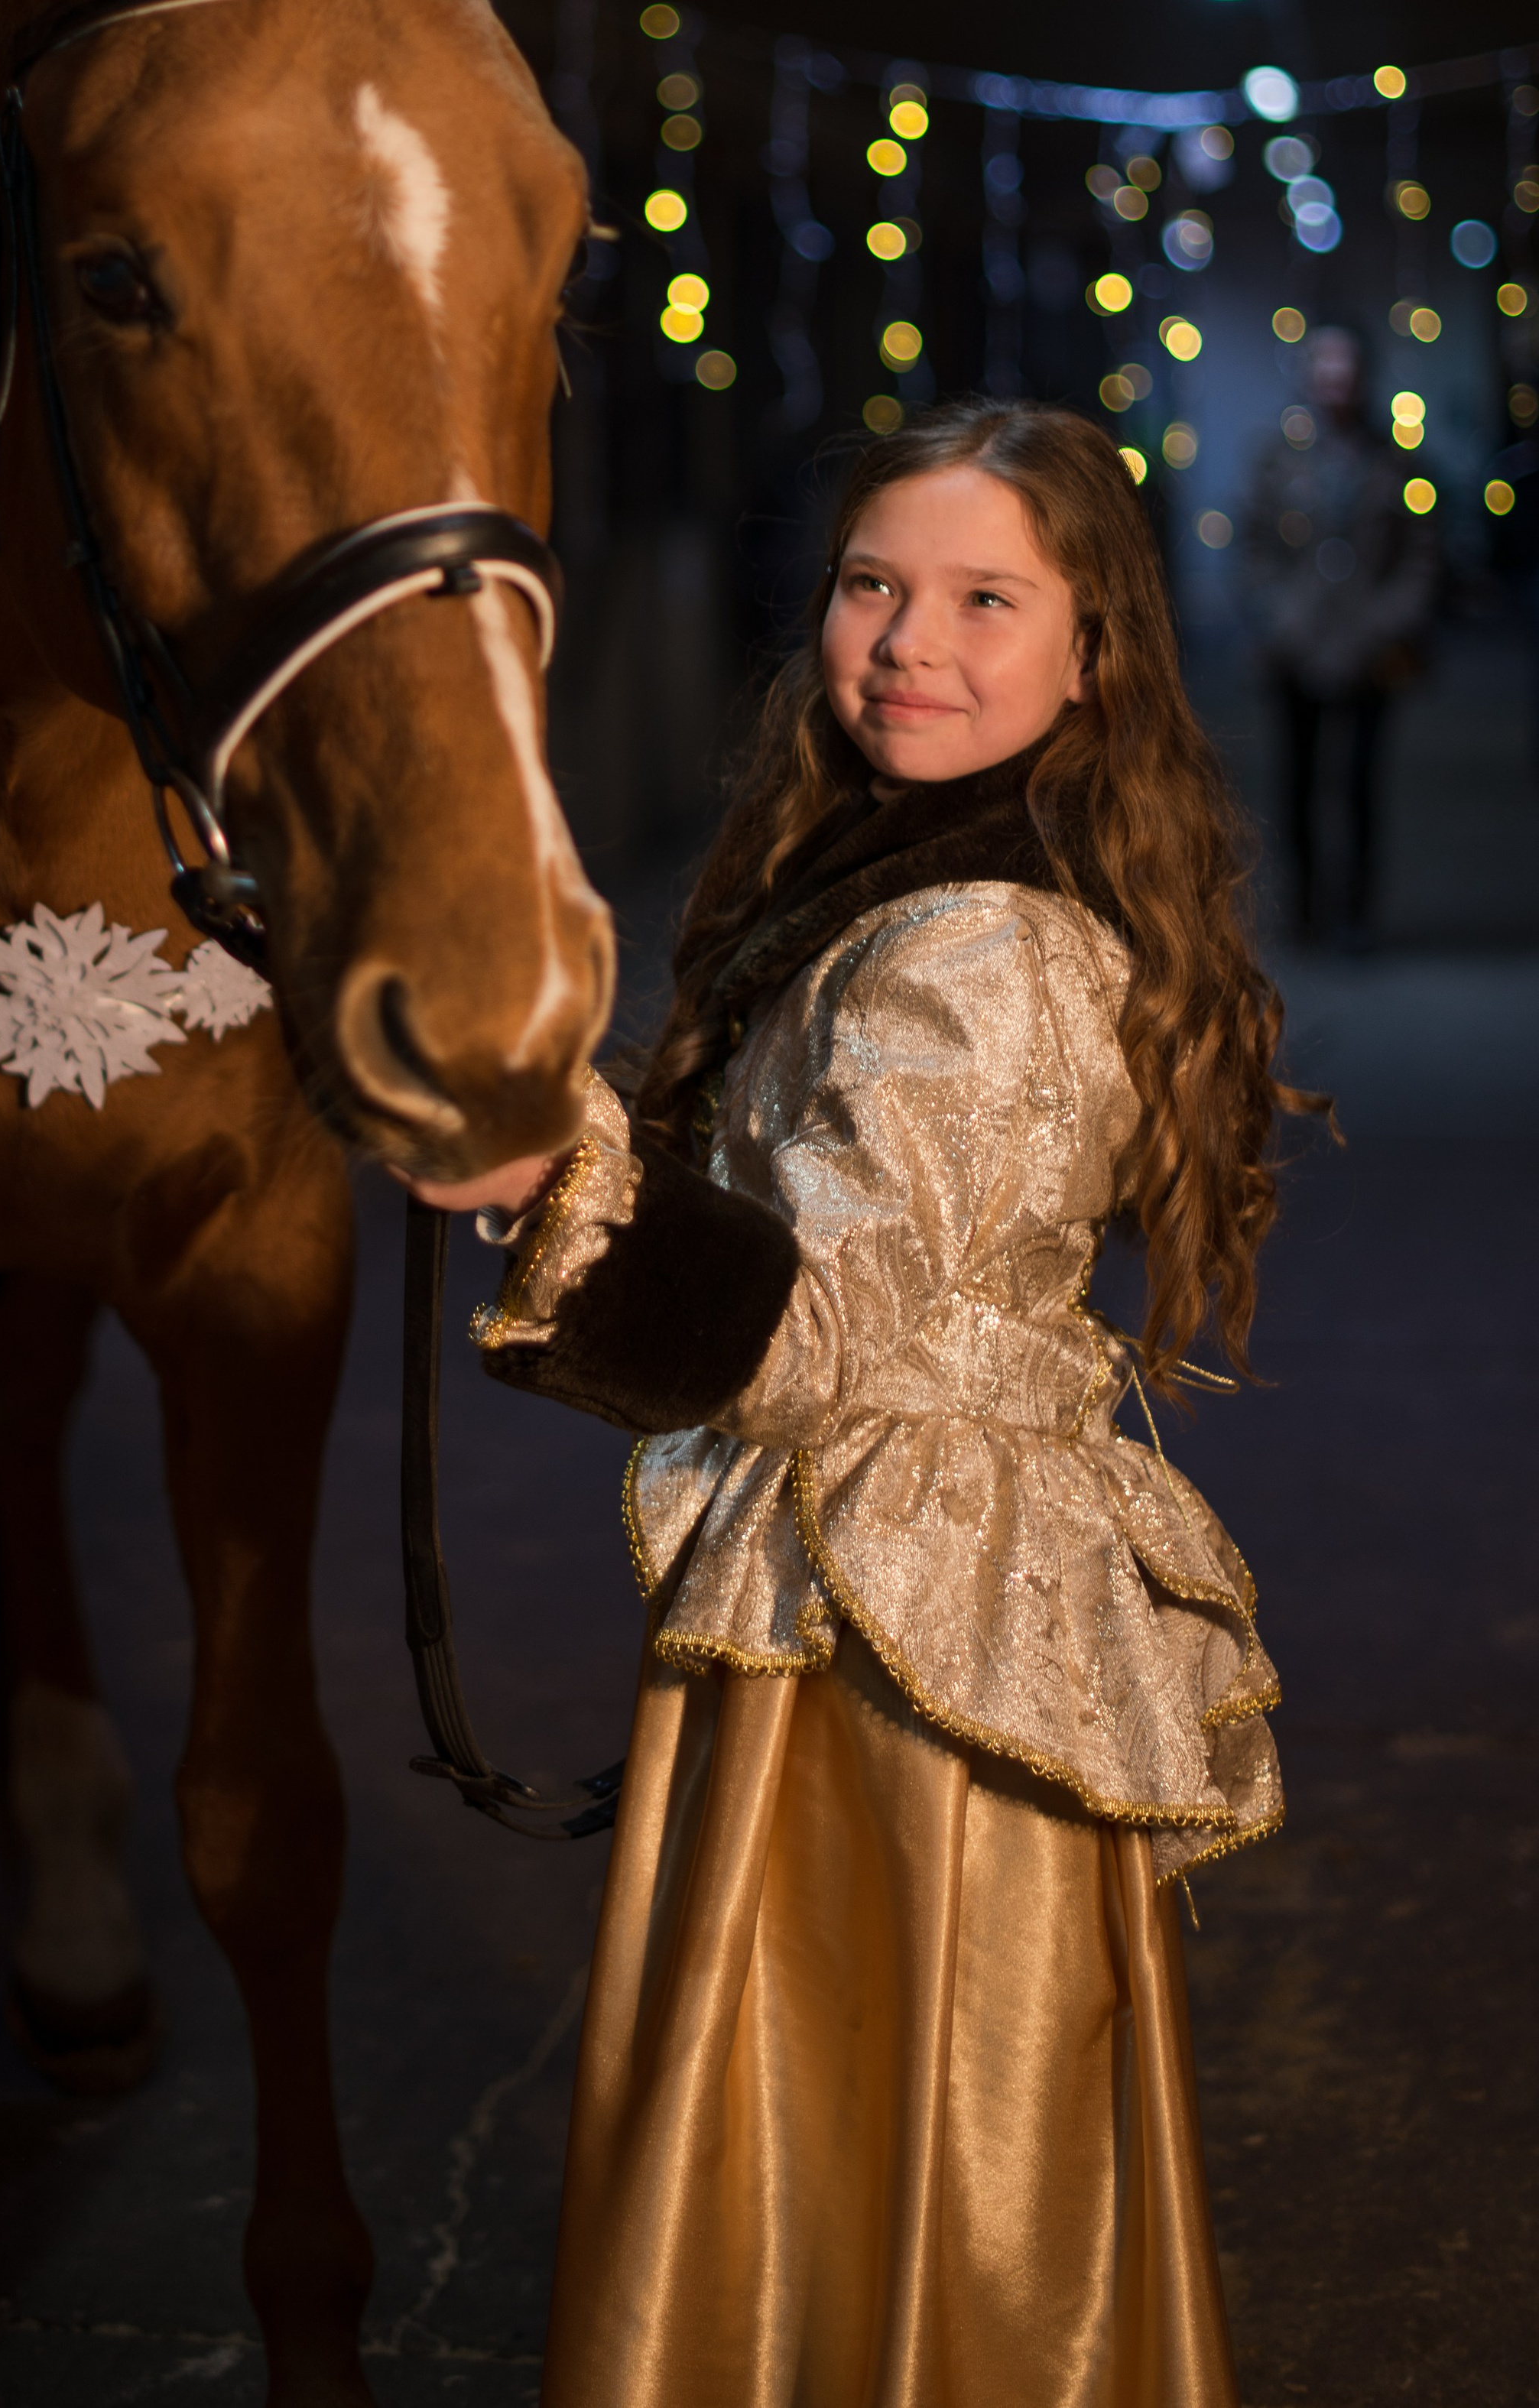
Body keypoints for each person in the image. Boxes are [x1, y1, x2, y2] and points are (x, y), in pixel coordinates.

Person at [420, 400, 1323, 2408]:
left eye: (987, 597)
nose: (910, 639)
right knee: (846, 2108)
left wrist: (549, 1183)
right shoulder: (896, 876)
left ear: (1094, 649)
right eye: (871, 583)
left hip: (902, 1634)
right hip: (872, 1573)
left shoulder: (982, 945)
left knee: (890, 2084)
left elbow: (816, 1338)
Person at [1242, 320, 1440, 943]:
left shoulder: (1397, 462)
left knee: (1359, 784)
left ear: (1363, 377)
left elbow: (1422, 555)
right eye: (1324, 366)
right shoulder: (1278, 458)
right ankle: (1306, 909)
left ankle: (1356, 913)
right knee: (1298, 783)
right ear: (1309, 376)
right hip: (1296, 646)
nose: (1335, 380)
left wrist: (1387, 622)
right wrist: (1280, 617)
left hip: (1370, 648)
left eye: (1345, 367)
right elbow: (1252, 548)